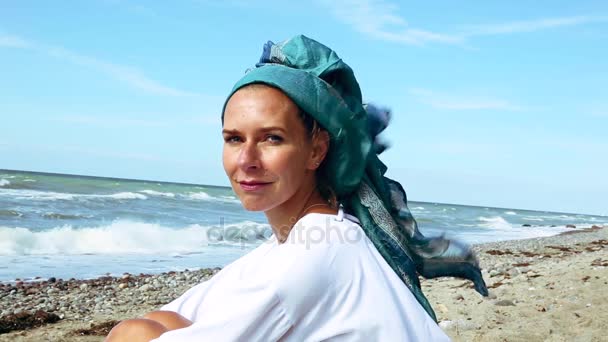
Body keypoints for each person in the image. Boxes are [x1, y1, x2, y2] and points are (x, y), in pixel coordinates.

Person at [106, 35, 487, 342]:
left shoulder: (311, 257)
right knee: (157, 322)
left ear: (316, 150)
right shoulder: (312, 238)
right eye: (234, 139)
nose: (246, 160)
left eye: (272, 138)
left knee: (133, 333)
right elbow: (177, 315)